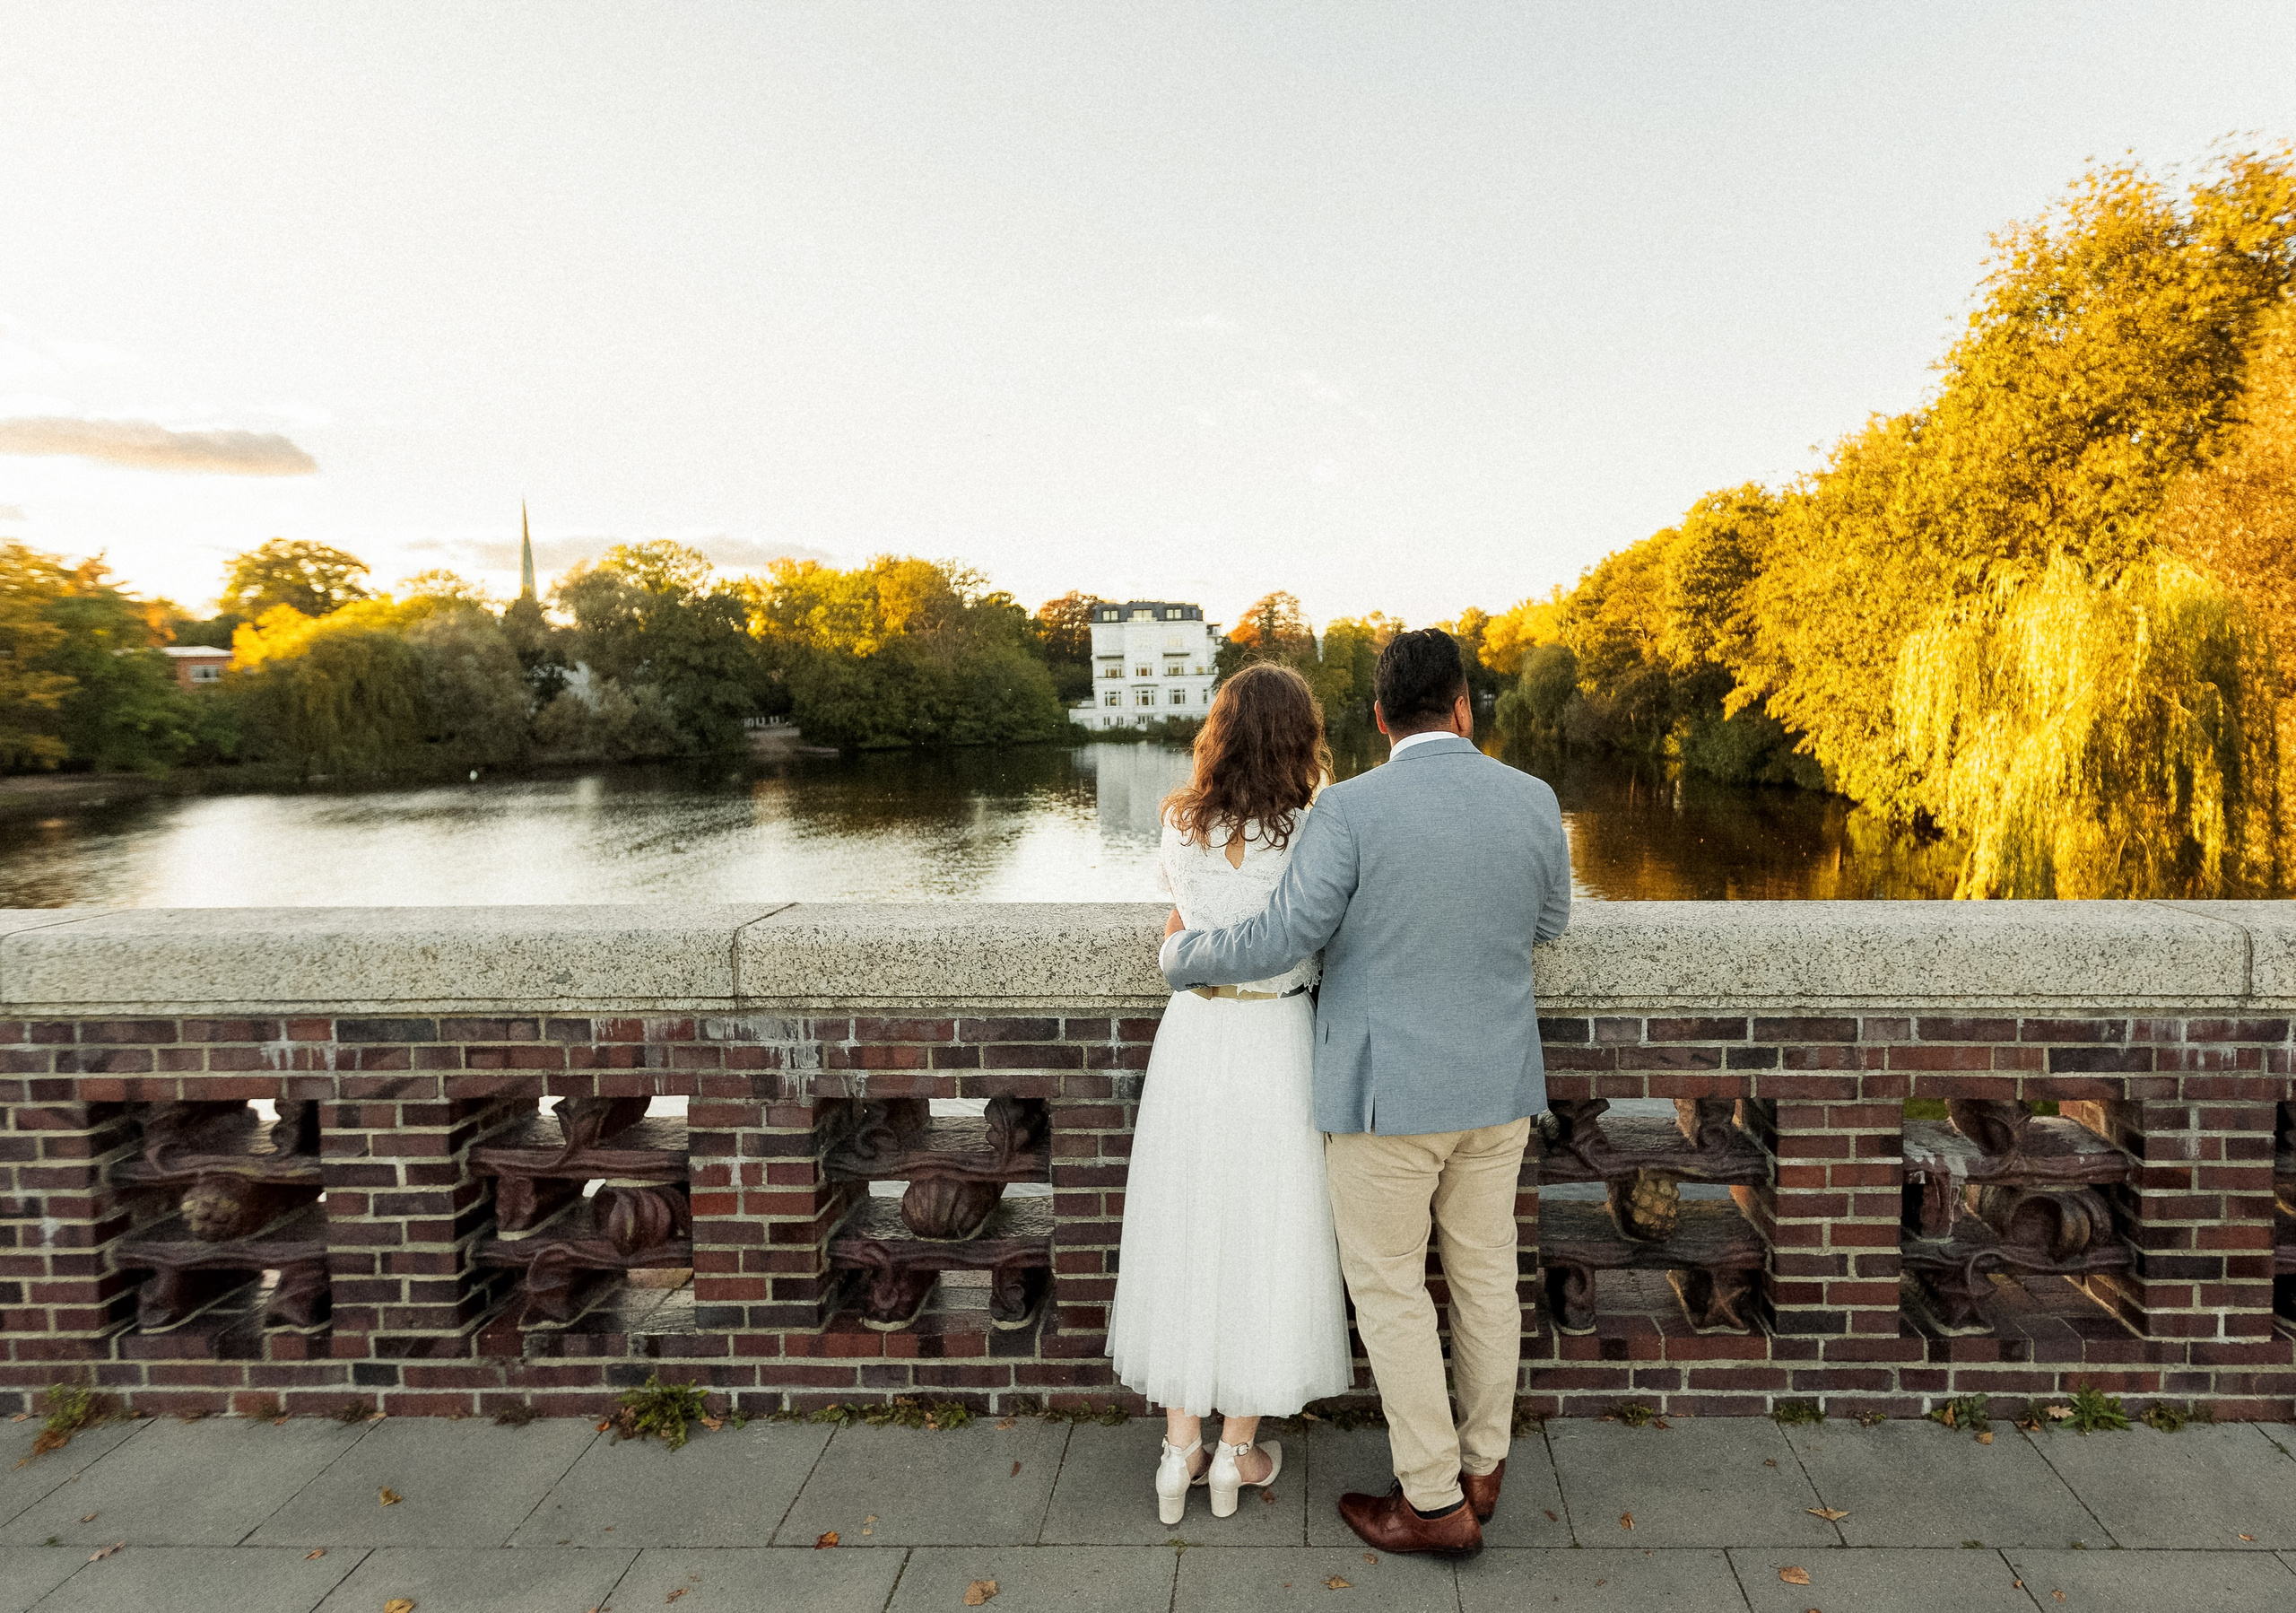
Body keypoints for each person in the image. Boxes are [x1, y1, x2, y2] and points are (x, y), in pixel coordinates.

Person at [1160, 628, 1571, 1557]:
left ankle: (1431, 1503)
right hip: (1498, 1083)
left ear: (1381, 717)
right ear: (1464, 707)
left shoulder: (1347, 810)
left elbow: (1279, 938)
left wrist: (1182, 956)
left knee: (1391, 1292)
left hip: (1386, 1095)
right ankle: (1483, 1468)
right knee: (1485, 1277)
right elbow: (1549, 921)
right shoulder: (1535, 799)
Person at [1106, 662, 1353, 1526]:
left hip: (1195, 1039)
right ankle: (1236, 1451)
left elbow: (1177, 925)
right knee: (1264, 1230)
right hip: (1276, 1039)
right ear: (1300, 737)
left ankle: (1180, 1451)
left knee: (1186, 1226)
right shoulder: (1315, 827)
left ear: (1219, 733)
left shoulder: (1181, 823)